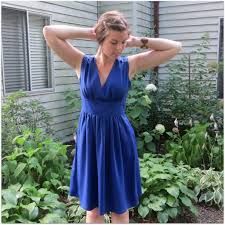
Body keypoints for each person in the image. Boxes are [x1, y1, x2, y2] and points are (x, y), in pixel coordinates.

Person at [43, 10, 182, 224]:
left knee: (120, 208)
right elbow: (49, 32)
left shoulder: (129, 65)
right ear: (101, 38)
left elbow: (175, 47)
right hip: (91, 139)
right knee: (94, 209)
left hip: (118, 139)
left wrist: (138, 41)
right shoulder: (81, 63)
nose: (119, 48)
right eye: (113, 42)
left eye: (123, 43)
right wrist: (91, 33)